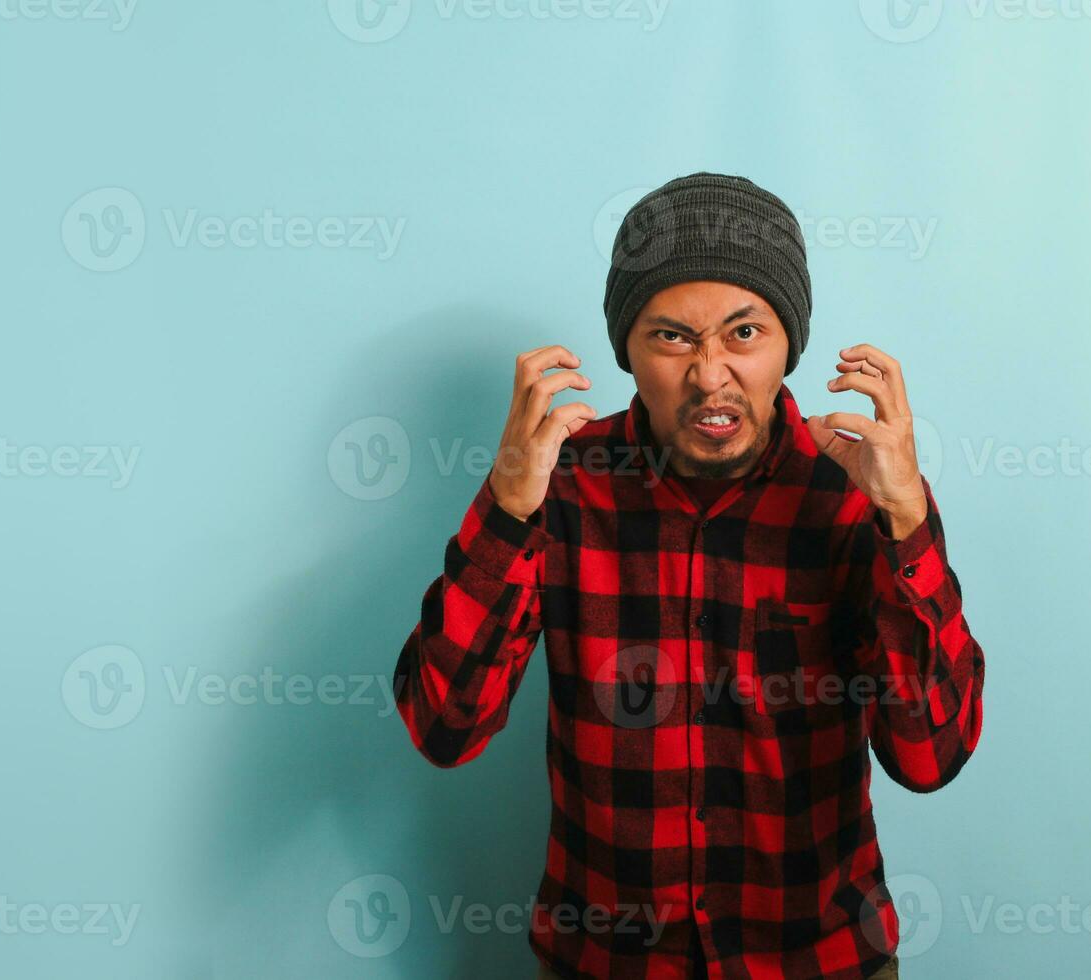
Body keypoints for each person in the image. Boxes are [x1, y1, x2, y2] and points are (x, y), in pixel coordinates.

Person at [393, 172, 986, 979]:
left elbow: (931, 756)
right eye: (672, 337)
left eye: (745, 334)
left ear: (790, 344)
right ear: (627, 349)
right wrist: (506, 506)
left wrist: (907, 522)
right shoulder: (558, 485)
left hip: (819, 959)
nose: (711, 375)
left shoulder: (854, 493)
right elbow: (443, 728)